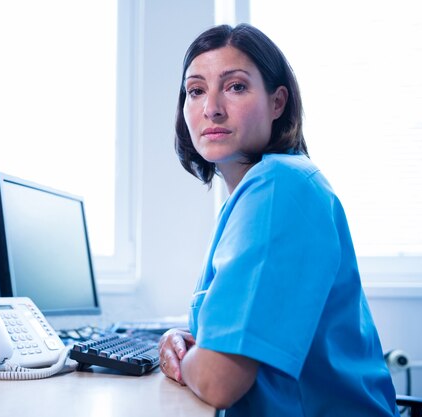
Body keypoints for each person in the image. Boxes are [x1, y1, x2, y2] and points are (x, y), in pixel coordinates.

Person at [158, 23, 399, 416]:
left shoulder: (279, 187)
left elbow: (219, 380)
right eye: (196, 90)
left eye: (235, 86)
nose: (211, 107)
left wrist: (181, 361)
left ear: (277, 102)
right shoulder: (262, 192)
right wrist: (186, 341)